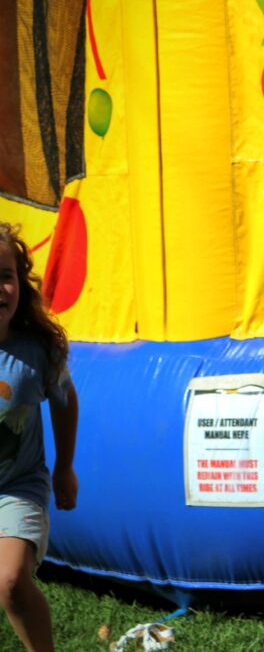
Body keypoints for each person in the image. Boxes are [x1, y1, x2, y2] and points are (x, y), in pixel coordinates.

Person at [0, 223, 79, 652]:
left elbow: (65, 400)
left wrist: (65, 468)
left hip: (18, 486)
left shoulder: (35, 352)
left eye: (5, 276)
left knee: (10, 580)